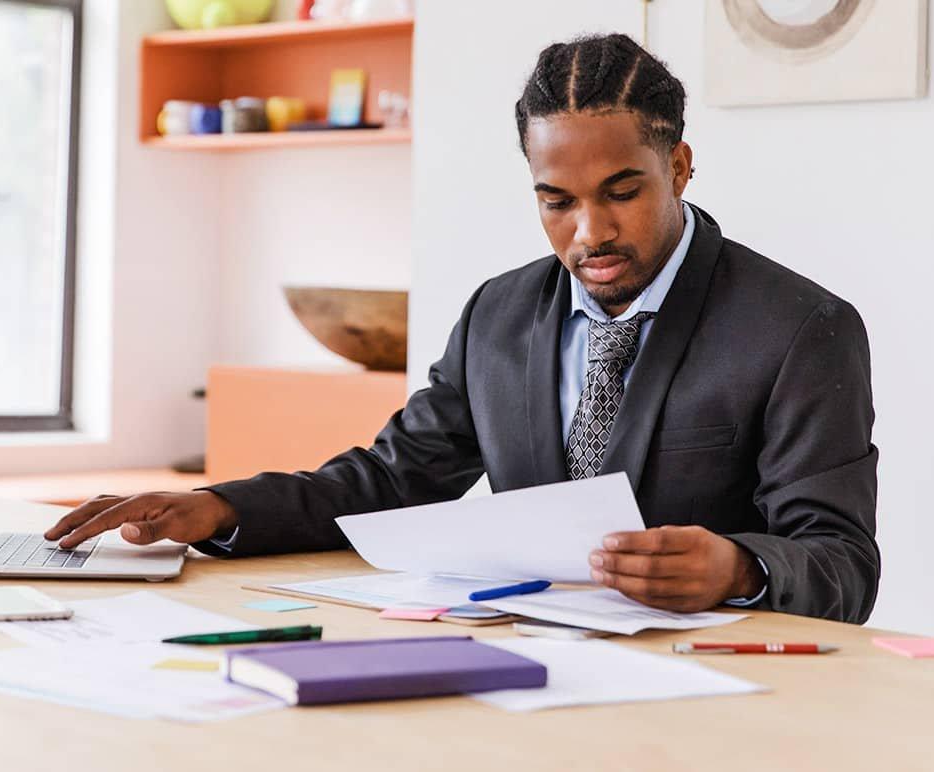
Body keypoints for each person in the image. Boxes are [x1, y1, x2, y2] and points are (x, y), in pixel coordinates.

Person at [46, 33, 878, 623]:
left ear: (681, 167)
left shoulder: (802, 328)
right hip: (528, 668)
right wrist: (218, 508)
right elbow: (389, 482)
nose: (590, 232)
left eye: (622, 191)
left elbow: (842, 563)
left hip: (727, 697)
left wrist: (741, 567)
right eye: (557, 202)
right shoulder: (500, 314)